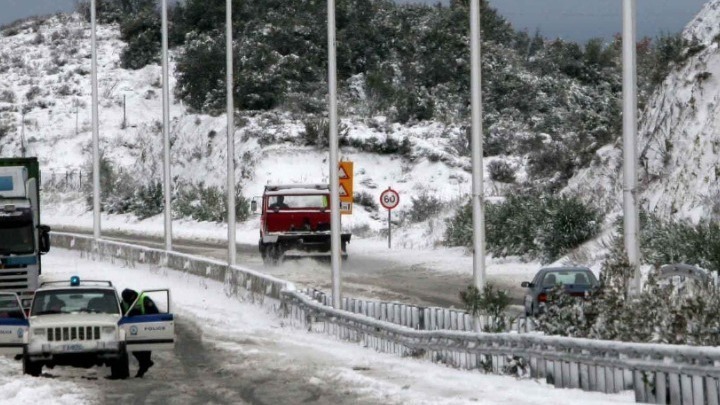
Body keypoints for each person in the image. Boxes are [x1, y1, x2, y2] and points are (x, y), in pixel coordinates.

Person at [121, 288, 159, 378]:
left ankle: (141, 372)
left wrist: (139, 314)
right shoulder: (124, 302)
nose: (126, 302)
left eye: (127, 300)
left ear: (133, 296)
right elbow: (121, 315)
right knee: (134, 350)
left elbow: (155, 313)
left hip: (146, 329)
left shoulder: (144, 300)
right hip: (133, 330)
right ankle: (146, 364)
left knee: (145, 351)